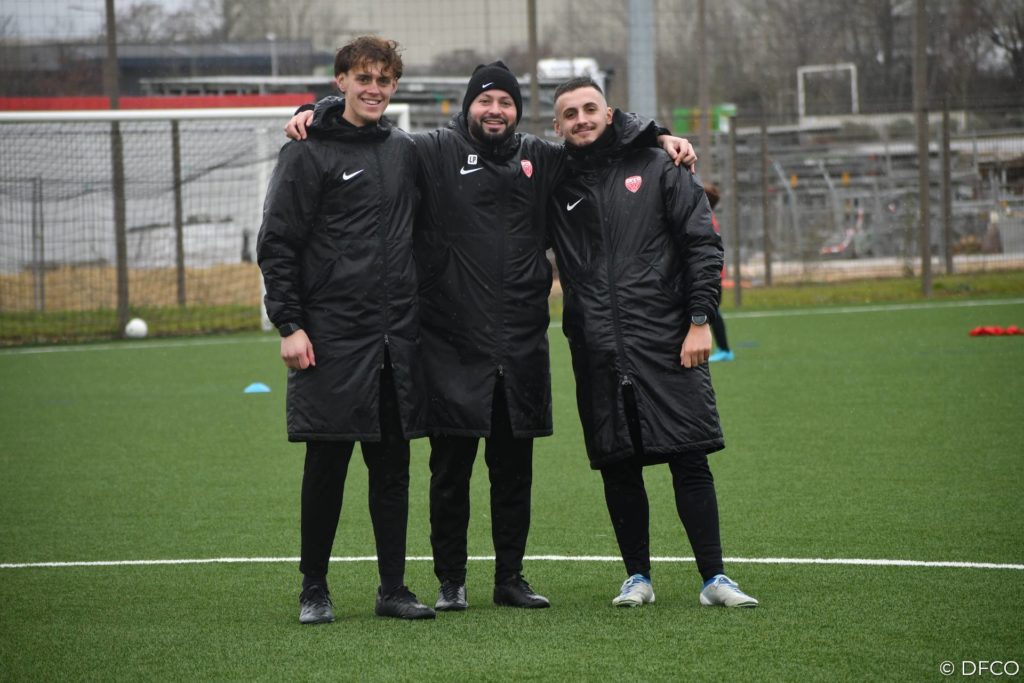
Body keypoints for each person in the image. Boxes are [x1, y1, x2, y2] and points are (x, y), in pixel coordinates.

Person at [285, 62, 696, 612]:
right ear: (468, 106)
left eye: (505, 102)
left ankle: (510, 578)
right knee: (449, 471)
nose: (495, 110)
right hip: (449, 344)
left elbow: (597, 141)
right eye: (485, 101)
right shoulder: (432, 150)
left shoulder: (541, 158)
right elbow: (368, 128)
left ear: (518, 111)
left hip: (521, 341)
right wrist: (317, 111)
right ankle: (451, 582)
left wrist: (659, 135)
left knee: (513, 470)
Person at [548, 77, 758, 608]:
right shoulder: (553, 179)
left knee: (689, 457)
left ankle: (715, 578)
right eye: (570, 114)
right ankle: (637, 578)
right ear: (557, 127)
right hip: (597, 346)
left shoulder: (661, 164)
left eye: (590, 108)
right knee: (618, 463)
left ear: (609, 112)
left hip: (666, 338)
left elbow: (702, 243)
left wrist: (699, 319)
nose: (581, 119)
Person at [257, 35, 436, 624]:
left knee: (392, 470)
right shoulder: (306, 151)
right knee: (325, 468)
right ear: (341, 82)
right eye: (363, 78)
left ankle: (393, 588)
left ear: (394, 86)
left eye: (384, 80)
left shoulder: (404, 150)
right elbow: (278, 242)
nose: (374, 89)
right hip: (330, 338)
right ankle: (314, 589)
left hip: (394, 340)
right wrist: (289, 324)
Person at [703, 183, 735, 362]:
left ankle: (724, 350)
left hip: (710, 274)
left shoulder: (705, 219)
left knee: (712, 311)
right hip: (712, 273)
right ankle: (724, 349)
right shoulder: (707, 217)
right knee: (712, 311)